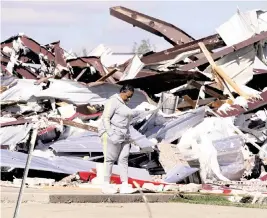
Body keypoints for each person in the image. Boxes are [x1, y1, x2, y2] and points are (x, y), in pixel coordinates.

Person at [98, 84, 136, 194]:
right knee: (109, 159)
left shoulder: (125, 104)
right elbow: (106, 118)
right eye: (128, 96)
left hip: (124, 135)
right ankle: (106, 184)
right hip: (113, 133)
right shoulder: (113, 101)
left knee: (123, 159)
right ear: (122, 92)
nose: (129, 98)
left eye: (131, 96)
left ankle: (124, 184)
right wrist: (110, 134)